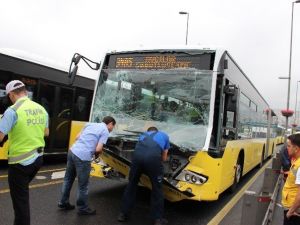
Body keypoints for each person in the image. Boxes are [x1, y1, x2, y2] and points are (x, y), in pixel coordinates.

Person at [0, 80, 49, 225]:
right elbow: (46, 133)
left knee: (20, 202)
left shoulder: (13, 110)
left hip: (19, 164)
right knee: (21, 194)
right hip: (38, 160)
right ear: (25, 92)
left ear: (11, 95)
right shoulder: (41, 109)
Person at [58, 116, 116, 215]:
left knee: (68, 179)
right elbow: (98, 149)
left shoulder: (90, 124)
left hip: (72, 151)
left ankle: (63, 202)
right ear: (110, 123)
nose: (112, 129)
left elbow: (77, 137)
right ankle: (82, 208)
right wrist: (96, 155)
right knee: (83, 185)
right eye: (113, 126)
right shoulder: (105, 131)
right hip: (83, 157)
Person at [118, 126, 170, 225]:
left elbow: (140, 149)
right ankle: (157, 219)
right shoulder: (164, 136)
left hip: (136, 160)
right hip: (153, 161)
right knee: (157, 189)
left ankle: (123, 214)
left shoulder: (142, 135)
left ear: (148, 131)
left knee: (131, 185)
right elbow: (163, 158)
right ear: (157, 131)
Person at [281, 133, 300, 225]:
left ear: (296, 149)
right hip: (292, 207)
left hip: (294, 210)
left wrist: (290, 212)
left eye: (288, 146)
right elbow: (297, 176)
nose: (286, 148)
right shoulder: (296, 161)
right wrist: (288, 173)